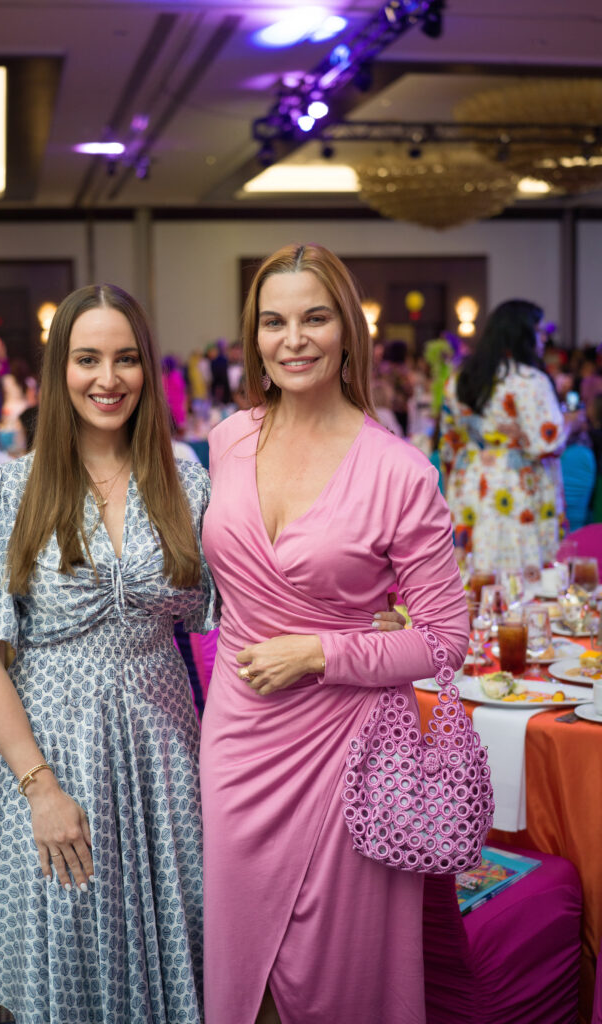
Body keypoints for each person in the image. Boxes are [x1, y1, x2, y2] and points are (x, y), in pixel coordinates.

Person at [199, 242, 469, 1024]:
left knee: (340, 971)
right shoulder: (229, 439)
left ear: (348, 330)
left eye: (315, 318)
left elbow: (448, 638)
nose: (294, 339)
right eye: (274, 322)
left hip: (347, 747)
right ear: (253, 337)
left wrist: (325, 649)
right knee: (241, 958)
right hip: (240, 739)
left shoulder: (399, 471)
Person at [0, 284, 216, 1023]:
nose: (108, 378)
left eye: (126, 359)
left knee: (181, 941)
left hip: (165, 753)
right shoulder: (3, 492)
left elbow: (243, 610)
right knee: (73, 940)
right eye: (88, 358)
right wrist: (40, 788)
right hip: (52, 754)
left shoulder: (185, 481)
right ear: (58, 370)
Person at [439, 299, 567, 575]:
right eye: (539, 331)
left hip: (470, 477)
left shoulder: (459, 378)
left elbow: (448, 443)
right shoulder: (531, 380)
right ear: (522, 334)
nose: (544, 338)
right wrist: (572, 422)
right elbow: (549, 442)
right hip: (516, 480)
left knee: (473, 567)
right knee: (520, 567)